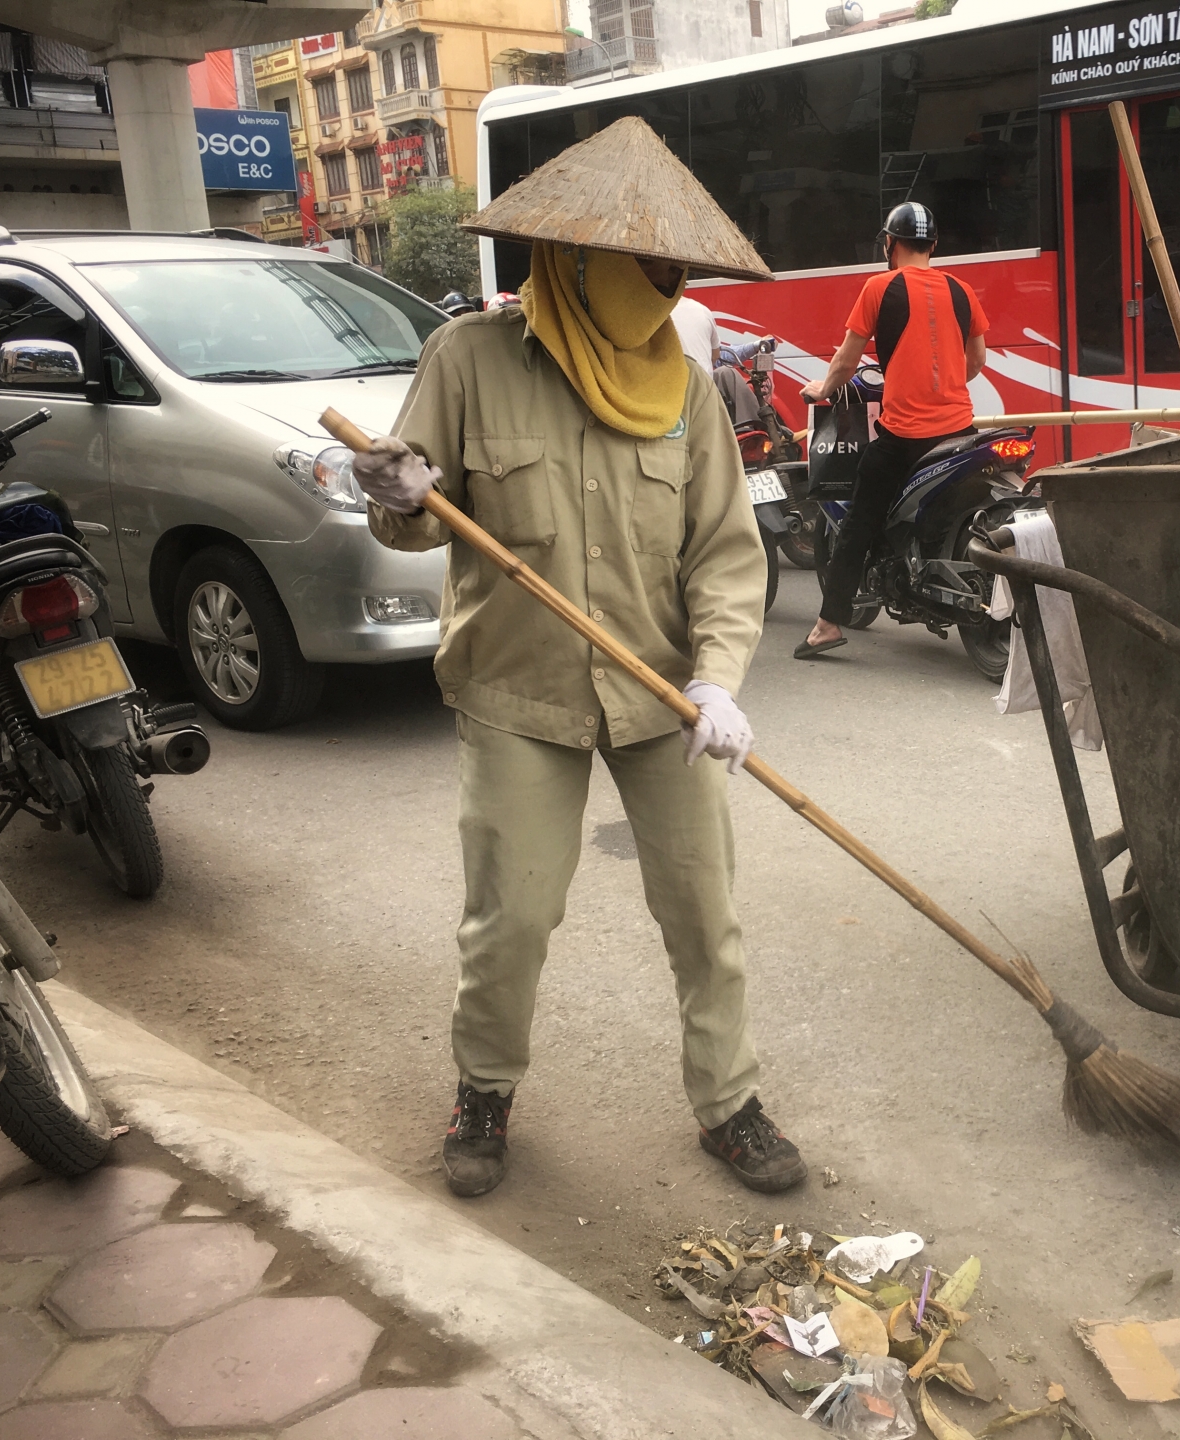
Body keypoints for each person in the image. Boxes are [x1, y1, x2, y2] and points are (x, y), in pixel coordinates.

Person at [350, 117, 809, 1200]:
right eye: (650, 268)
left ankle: (729, 1103)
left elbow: (727, 560)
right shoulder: (466, 359)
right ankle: (485, 1092)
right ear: (581, 262)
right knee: (509, 915)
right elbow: (415, 516)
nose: (666, 289)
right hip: (519, 694)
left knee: (706, 914)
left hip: (660, 693)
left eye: (676, 272)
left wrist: (718, 680)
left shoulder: (686, 393)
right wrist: (402, 497)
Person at [796, 203, 988, 659]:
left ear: (890, 243)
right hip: (960, 430)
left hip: (905, 436)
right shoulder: (962, 289)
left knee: (859, 521)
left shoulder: (879, 287)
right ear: (934, 245)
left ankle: (826, 626)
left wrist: (823, 387)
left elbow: (846, 361)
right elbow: (976, 361)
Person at [672, 292, 718, 375]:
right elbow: (715, 355)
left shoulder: (653, 315)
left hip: (675, 384)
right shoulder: (703, 311)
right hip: (705, 384)